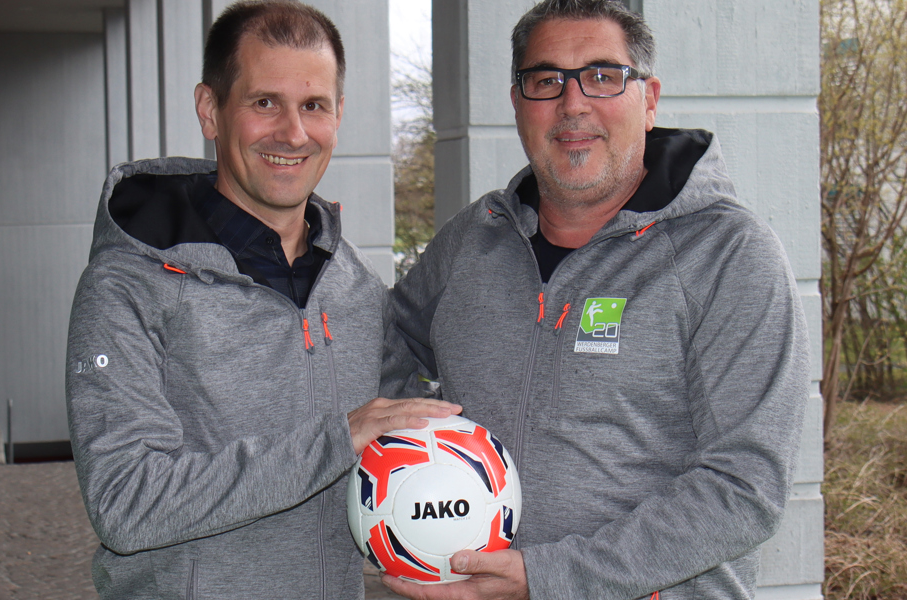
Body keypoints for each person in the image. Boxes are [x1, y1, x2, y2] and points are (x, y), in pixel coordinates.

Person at [382, 1, 810, 599]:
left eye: (604, 76)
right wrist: (422, 446)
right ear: (517, 102)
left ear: (650, 97)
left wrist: (548, 578)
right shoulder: (472, 240)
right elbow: (380, 343)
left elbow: (745, 487)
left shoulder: (728, 255)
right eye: (546, 80)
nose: (573, 103)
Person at [66, 2, 458, 599]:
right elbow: (125, 502)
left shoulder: (351, 284)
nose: (293, 134)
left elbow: (410, 426)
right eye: (264, 102)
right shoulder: (128, 286)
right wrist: (334, 442)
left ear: (339, 114)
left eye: (314, 106)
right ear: (210, 110)